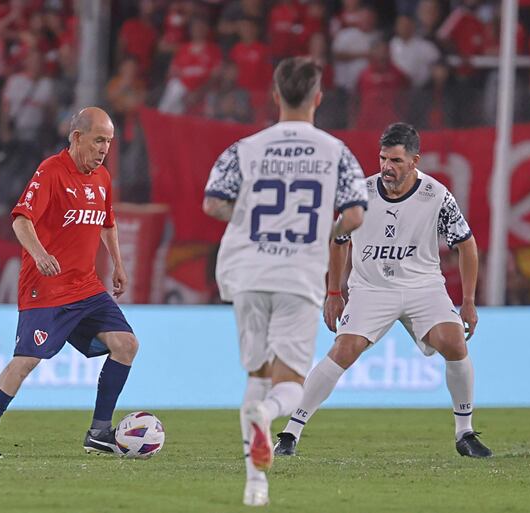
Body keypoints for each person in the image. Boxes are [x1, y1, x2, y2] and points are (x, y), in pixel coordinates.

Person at [202, 57, 368, 507]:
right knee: (288, 382)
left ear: (275, 96)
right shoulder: (336, 152)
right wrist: (325, 230)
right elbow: (354, 214)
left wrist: (249, 215)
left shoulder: (245, 148)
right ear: (318, 98)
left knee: (256, 375)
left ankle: (256, 485)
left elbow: (213, 203)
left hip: (248, 272)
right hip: (298, 274)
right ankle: (269, 416)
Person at [274, 122, 493, 459]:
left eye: (395, 161)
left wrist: (468, 301)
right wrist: (334, 292)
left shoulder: (436, 195)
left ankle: (464, 433)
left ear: (415, 161)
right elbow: (339, 240)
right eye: (382, 159)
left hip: (423, 286)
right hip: (371, 287)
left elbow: (467, 245)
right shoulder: (360, 194)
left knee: (453, 343)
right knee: (344, 349)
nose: (386, 168)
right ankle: (290, 433)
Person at [0, 107, 138, 459]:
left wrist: (118, 265)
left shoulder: (102, 178)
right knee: (26, 360)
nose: (104, 148)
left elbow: (107, 223)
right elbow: (20, 221)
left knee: (126, 344)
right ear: (77, 137)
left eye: (108, 141)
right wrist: (41, 254)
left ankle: (99, 431)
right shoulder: (51, 171)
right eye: (98, 140)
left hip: (87, 286)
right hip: (45, 287)